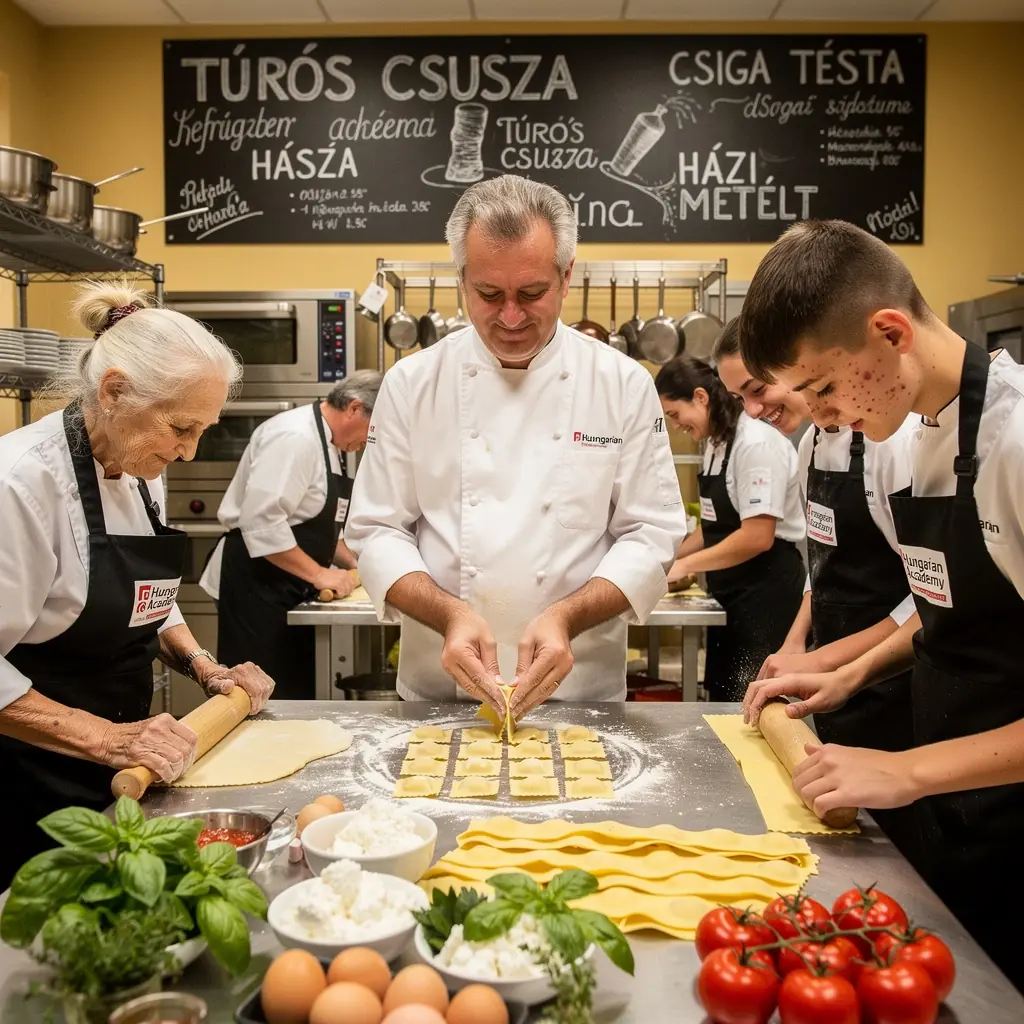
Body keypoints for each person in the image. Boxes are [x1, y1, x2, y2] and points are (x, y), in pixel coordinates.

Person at [739, 219, 1024, 989]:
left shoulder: (1017, 443)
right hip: (952, 811)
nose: (823, 417)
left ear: (890, 331)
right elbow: (933, 606)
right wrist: (848, 674)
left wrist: (906, 772)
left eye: (825, 388)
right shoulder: (906, 437)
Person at [345, 174, 686, 720]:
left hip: (581, 693)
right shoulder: (412, 383)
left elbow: (651, 533)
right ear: (462, 281)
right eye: (488, 294)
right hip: (440, 690)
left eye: (531, 293)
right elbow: (377, 530)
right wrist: (451, 616)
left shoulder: (621, 383)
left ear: (567, 276)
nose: (509, 316)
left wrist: (565, 619)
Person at [0, 282, 274, 888]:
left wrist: (206, 667)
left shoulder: (136, 465)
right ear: (114, 392)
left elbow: (146, 598)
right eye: (181, 427)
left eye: (202, 429)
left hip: (120, 772)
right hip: (26, 781)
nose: (189, 450)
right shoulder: (19, 485)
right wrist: (108, 739)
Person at [201, 371, 382, 700]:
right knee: (257, 696)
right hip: (255, 584)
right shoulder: (295, 437)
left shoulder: (331, 445)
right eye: (373, 430)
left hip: (287, 584)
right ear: (355, 408)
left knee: (290, 690)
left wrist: (359, 564)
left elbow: (313, 525)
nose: (369, 442)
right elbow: (263, 523)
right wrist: (320, 574)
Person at [655, 353, 806, 700]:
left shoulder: (755, 443)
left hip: (766, 594)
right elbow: (714, 527)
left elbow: (757, 537)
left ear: (701, 397)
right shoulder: (716, 443)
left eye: (675, 415)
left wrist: (685, 565)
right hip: (732, 594)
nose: (676, 425)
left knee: (757, 704)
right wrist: (664, 559)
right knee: (725, 699)